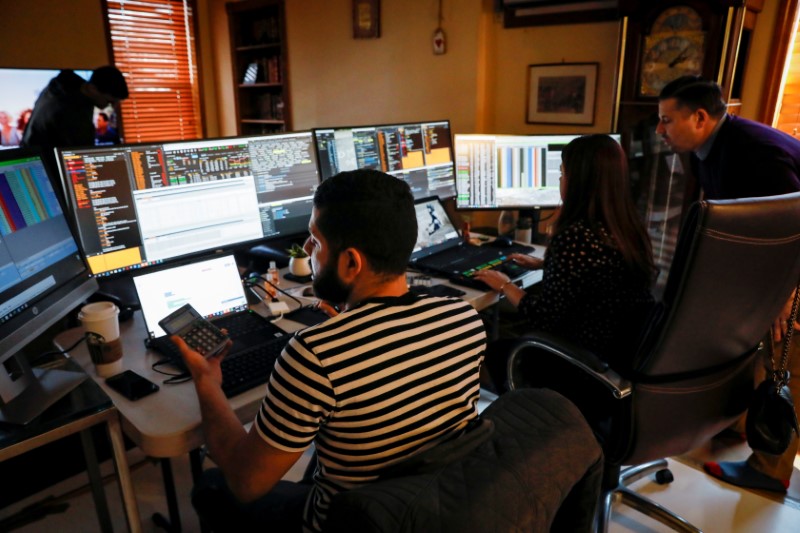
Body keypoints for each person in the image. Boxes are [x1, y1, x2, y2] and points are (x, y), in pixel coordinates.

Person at [174, 169, 487, 532]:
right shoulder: (464, 317)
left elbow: (247, 483)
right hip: (424, 509)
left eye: (315, 240)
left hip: (348, 521)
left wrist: (206, 381)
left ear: (351, 262)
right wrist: (352, 320)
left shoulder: (315, 355)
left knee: (212, 487)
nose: (308, 250)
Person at [656, 75, 800, 493]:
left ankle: (769, 470)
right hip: (769, 265)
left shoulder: (756, 153)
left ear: (700, 117)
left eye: (666, 120)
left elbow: (793, 225)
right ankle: (740, 424)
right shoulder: (706, 148)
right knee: (750, 351)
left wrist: (786, 296)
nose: (659, 131)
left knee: (785, 358)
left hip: (792, 267)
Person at [474, 134, 656, 387]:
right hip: (615, 357)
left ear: (579, 181)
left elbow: (544, 317)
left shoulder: (575, 236)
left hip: (577, 364)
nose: (560, 179)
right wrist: (546, 265)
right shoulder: (627, 227)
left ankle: (522, 418)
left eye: (562, 172)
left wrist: (505, 285)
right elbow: (600, 277)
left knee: (492, 350)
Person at [20, 66, 128, 172]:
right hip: (46, 169)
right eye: (109, 101)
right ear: (93, 89)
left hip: (33, 160)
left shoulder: (66, 86)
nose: (111, 107)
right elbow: (82, 156)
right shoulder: (72, 110)